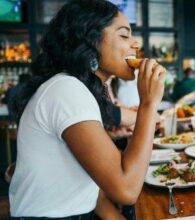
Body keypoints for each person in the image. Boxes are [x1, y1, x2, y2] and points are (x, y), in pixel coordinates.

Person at [8, 0, 166, 219]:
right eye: (123, 35)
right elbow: (126, 190)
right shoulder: (66, 90)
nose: (136, 44)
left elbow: (98, 183)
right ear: (91, 40)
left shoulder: (75, 88)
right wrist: (148, 104)